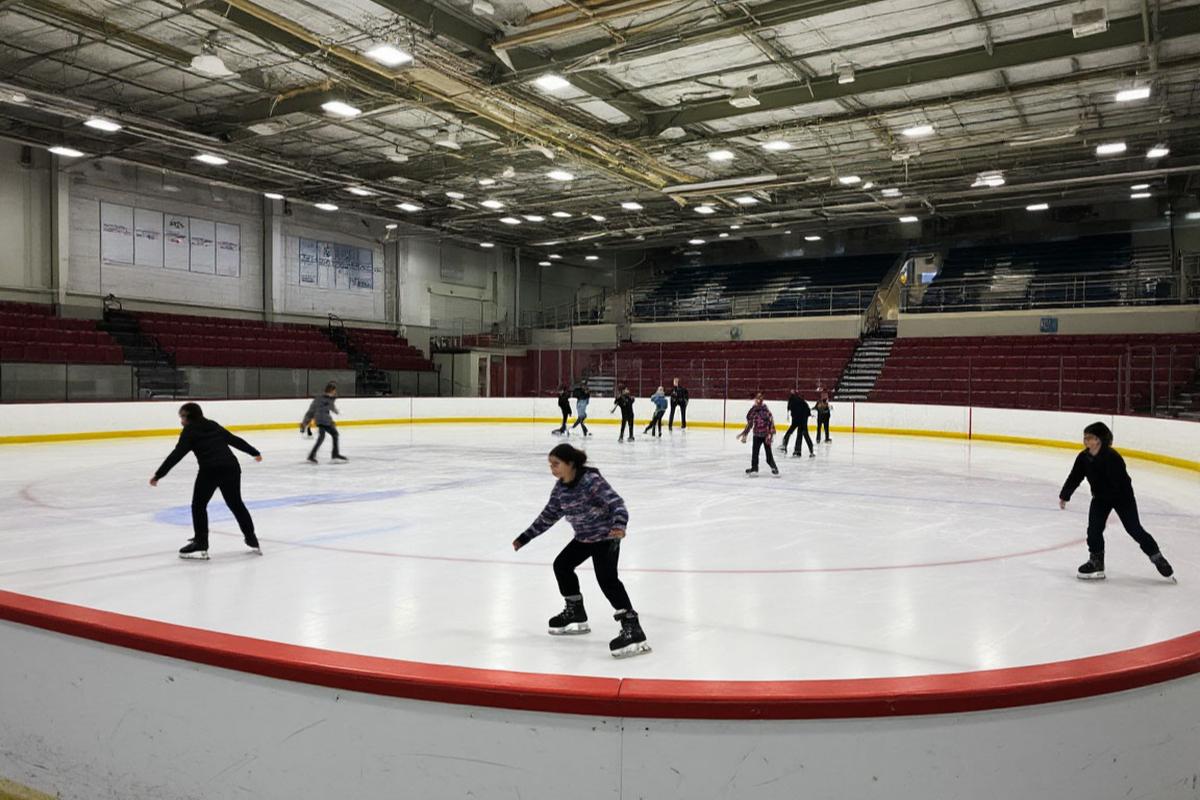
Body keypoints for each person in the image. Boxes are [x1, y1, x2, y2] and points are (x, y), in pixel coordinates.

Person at [512, 443, 650, 658]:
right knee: (562, 565)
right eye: (550, 465)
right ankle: (576, 612)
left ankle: (633, 628)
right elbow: (547, 516)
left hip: (606, 537)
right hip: (584, 538)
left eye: (556, 464)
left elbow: (618, 505)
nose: (553, 469)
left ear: (570, 463)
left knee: (607, 580)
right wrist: (525, 537)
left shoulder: (590, 481)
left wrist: (619, 527)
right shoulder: (560, 490)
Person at [1059, 421, 1174, 581]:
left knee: (1134, 529)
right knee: (1093, 530)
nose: (1086, 441)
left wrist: (1107, 494)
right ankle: (1096, 562)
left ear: (1099, 439)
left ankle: (1157, 557)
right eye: (1085, 438)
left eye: (1090, 438)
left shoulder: (1113, 458)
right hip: (1100, 498)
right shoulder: (1083, 457)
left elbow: (1120, 482)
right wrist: (1065, 495)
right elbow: (1075, 476)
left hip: (1122, 498)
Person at [149, 402, 262, 559]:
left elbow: (177, 454)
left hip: (210, 470)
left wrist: (159, 474)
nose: (181, 420)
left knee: (198, 506)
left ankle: (201, 542)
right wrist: (254, 452)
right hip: (231, 467)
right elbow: (233, 439)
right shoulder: (212, 425)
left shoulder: (189, 431)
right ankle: (252, 539)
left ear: (189, 417)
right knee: (236, 504)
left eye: (182, 417)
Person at [302, 382, 347, 463]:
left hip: (323, 420)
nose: (335, 392)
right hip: (322, 420)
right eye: (334, 390)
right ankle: (334, 454)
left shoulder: (329, 398)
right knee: (333, 435)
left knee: (324, 437)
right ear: (331, 390)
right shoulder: (321, 398)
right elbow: (311, 411)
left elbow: (331, 407)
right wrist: (305, 423)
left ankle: (312, 455)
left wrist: (336, 411)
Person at [737, 392, 779, 476]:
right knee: (755, 453)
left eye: (759, 399)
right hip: (757, 435)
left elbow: (771, 422)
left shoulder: (765, 410)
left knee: (768, 454)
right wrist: (745, 434)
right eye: (756, 399)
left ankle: (774, 467)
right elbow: (750, 422)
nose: (757, 400)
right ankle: (754, 468)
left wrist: (770, 433)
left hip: (765, 435)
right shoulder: (754, 410)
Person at [780, 389, 815, 457]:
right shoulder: (803, 402)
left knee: (791, 432)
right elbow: (807, 411)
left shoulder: (793, 400)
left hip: (797, 420)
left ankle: (786, 446)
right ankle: (802, 451)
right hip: (802, 421)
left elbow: (790, 409)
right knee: (803, 434)